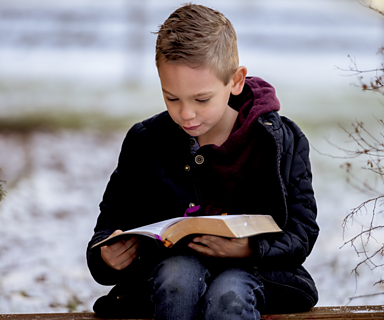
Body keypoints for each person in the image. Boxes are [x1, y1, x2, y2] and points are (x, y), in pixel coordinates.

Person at [87, 3, 319, 319]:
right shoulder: (146, 140)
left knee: (228, 295)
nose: (186, 113)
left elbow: (302, 230)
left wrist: (252, 249)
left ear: (236, 81)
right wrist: (107, 257)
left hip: (256, 271)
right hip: (168, 272)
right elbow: (110, 224)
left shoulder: (279, 141)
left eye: (201, 99)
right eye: (171, 98)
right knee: (178, 278)